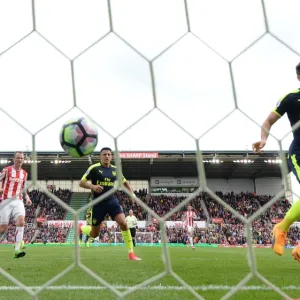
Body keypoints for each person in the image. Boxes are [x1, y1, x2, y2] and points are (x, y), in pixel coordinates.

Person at [252, 62, 300, 261]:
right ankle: (281, 227)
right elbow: (268, 121)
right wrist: (263, 139)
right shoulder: (290, 98)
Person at [79, 147, 141, 260]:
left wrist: (132, 195)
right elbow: (81, 183)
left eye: (109, 154)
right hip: (98, 203)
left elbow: (125, 182)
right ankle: (82, 228)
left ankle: (131, 253)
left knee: (123, 223)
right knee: (94, 234)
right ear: (100, 156)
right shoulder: (94, 168)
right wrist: (93, 186)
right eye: (104, 154)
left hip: (112, 201)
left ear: (111, 156)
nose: (107, 156)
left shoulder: (115, 169)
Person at [0, 151, 32, 258]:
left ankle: (17, 250)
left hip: (18, 200)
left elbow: (23, 188)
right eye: (18, 158)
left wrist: (27, 197)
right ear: (14, 159)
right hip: (5, 200)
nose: (20, 160)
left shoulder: (24, 173)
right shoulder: (7, 170)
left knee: (21, 221)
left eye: (21, 158)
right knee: (3, 228)